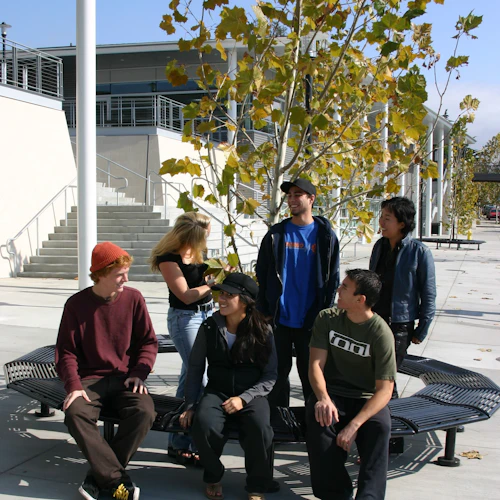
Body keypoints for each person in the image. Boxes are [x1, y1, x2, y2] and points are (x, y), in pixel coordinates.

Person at [56, 242, 158, 500]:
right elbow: (66, 352)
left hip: (126, 378)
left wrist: (139, 372)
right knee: (75, 413)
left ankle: (98, 476)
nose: (126, 278)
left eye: (126, 272)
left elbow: (148, 342)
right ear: (100, 274)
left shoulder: (134, 298)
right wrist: (74, 386)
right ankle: (115, 479)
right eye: (119, 274)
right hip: (90, 381)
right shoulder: (76, 305)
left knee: (145, 412)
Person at [180, 273, 278, 500]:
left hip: (252, 394)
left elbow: (270, 375)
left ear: (244, 301)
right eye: (221, 294)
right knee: (203, 424)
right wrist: (191, 404)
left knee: (260, 428)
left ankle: (256, 486)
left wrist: (244, 398)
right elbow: (195, 368)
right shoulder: (209, 327)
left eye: (228, 295)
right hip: (216, 391)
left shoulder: (263, 330)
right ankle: (214, 474)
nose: (221, 299)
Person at [306, 269, 396, 500]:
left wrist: (354, 425)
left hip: (366, 398)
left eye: (345, 287)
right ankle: (336, 494)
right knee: (320, 423)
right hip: (333, 393)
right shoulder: (327, 318)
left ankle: (369, 496)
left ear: (360, 299)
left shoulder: (380, 333)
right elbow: (315, 364)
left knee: (380, 428)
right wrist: (323, 398)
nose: (338, 289)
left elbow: (385, 390)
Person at [256, 177, 340, 407]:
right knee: (276, 377)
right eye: (289, 195)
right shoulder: (276, 235)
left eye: (297, 195)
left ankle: (312, 428)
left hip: (311, 321)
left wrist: (325, 314)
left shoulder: (326, 237)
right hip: (278, 319)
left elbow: (333, 279)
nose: (291, 199)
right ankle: (277, 425)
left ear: (311, 199)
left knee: (312, 377)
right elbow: (261, 273)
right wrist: (263, 310)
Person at [149, 211, 214, 464]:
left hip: (207, 314)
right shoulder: (169, 259)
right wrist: (212, 284)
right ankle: (199, 439)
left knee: (189, 377)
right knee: (201, 376)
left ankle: (178, 442)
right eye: (204, 234)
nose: (207, 238)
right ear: (192, 235)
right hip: (185, 319)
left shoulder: (199, 253)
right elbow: (186, 295)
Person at [369, 197, 436, 396]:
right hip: (375, 321)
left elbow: (428, 294)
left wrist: (421, 329)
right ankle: (389, 416)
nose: (381, 222)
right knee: (377, 376)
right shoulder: (379, 247)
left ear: (402, 223)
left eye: (387, 218)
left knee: (385, 377)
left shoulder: (419, 252)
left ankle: (390, 419)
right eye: (381, 216)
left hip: (400, 325)